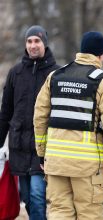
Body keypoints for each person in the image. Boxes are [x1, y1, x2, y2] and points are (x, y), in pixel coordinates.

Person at [33, 31, 103, 219]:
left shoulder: (55, 76)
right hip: (87, 165)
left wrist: (42, 154)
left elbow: (40, 117)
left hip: (56, 161)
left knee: (60, 212)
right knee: (89, 213)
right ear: (102, 55)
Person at [0, 25, 59, 219]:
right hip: (18, 146)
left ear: (45, 43)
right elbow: (6, 111)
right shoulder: (15, 73)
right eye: (29, 41)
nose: (33, 45)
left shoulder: (57, 74)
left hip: (42, 148)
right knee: (27, 196)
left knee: (36, 194)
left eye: (37, 41)